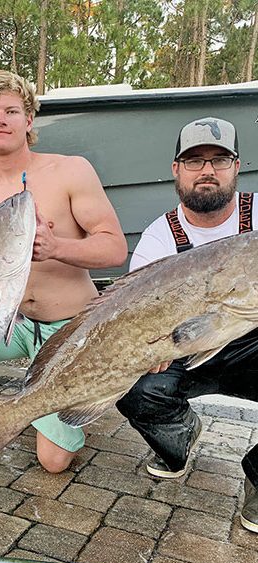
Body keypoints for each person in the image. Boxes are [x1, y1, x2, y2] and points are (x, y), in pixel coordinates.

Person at [0, 70, 128, 480]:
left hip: (70, 325)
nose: (0, 119)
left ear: (29, 120)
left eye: (11, 110)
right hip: (10, 324)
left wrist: (57, 248)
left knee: (53, 462)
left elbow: (115, 249)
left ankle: (68, 401)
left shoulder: (70, 172)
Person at [117, 116, 258, 533]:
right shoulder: (159, 238)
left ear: (237, 166)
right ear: (176, 170)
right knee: (135, 388)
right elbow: (136, 317)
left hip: (252, 344)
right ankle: (177, 439)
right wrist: (145, 350)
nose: (207, 171)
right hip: (187, 346)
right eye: (195, 160)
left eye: (220, 159)